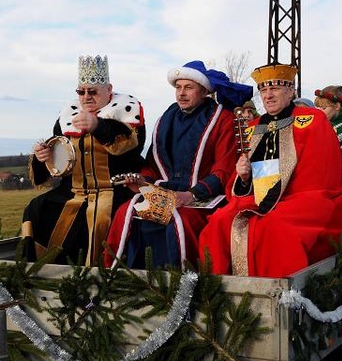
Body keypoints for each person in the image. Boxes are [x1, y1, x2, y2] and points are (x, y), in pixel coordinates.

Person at [197, 63, 342, 278]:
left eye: (275, 89)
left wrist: (269, 202)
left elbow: (319, 174)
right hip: (256, 198)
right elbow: (237, 186)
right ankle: (217, 292)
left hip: (302, 197)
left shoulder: (313, 121)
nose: (268, 95)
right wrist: (243, 177)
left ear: (291, 91)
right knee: (219, 221)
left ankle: (278, 297)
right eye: (264, 90)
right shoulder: (251, 128)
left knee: (272, 227)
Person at [104, 60, 252, 270]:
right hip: (169, 194)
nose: (181, 93)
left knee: (181, 221)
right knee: (127, 211)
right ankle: (121, 278)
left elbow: (224, 171)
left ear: (204, 91)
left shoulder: (223, 120)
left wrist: (191, 194)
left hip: (205, 197)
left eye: (188, 87)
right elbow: (153, 165)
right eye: (178, 87)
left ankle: (183, 288)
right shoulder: (167, 118)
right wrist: (142, 181)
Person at [21, 55, 146, 265]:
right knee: (37, 208)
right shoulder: (67, 116)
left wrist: (98, 126)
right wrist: (43, 157)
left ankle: (99, 277)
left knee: (99, 219)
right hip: (74, 190)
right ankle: (41, 272)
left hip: (115, 190)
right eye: (81, 91)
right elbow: (59, 155)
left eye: (93, 91)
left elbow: (130, 148)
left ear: (109, 90)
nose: (86, 97)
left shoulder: (127, 112)